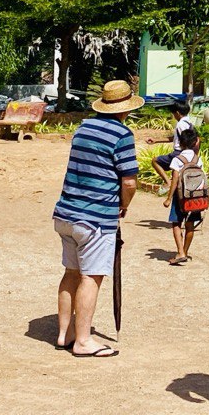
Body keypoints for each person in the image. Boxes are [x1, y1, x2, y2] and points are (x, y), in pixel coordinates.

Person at [51, 79, 142, 357]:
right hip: (94, 218)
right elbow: (129, 183)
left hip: (66, 213)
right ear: (126, 108)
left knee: (71, 272)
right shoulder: (122, 135)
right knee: (92, 276)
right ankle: (83, 340)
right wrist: (122, 207)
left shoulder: (83, 128)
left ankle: (63, 334)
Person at [163, 126, 203, 265]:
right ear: (196, 142)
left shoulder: (177, 159)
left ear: (180, 143)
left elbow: (174, 180)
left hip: (180, 197)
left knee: (176, 223)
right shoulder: (198, 159)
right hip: (195, 197)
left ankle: (180, 252)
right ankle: (185, 251)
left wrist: (169, 198)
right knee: (190, 225)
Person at [148, 100, 195, 188]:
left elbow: (184, 139)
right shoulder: (189, 122)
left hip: (178, 153)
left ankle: (167, 182)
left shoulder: (181, 124)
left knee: (155, 161)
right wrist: (156, 140)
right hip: (187, 153)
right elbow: (176, 138)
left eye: (173, 114)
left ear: (177, 113)